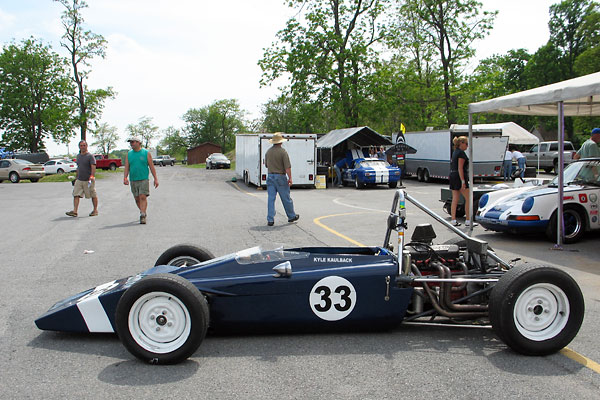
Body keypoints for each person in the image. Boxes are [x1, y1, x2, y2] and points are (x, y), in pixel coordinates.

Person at [265, 132, 299, 226]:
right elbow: (287, 167)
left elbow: (266, 165)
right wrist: (290, 178)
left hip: (270, 176)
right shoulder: (283, 152)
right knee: (286, 198)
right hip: (280, 176)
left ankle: (270, 219)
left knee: (271, 199)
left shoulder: (268, 152)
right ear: (281, 142)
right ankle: (291, 216)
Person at [123, 136, 159, 224]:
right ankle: (143, 211)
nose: (131, 144)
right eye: (130, 142)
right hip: (133, 179)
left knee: (142, 196)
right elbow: (127, 166)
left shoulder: (146, 153)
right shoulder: (129, 154)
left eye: (133, 142)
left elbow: (151, 166)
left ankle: (142, 215)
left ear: (139, 143)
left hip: (144, 179)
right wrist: (125, 177)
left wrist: (155, 179)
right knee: (137, 198)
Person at [449, 136, 477, 227]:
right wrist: (463, 181)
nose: (467, 146)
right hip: (459, 176)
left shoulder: (455, 152)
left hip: (453, 175)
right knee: (468, 198)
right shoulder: (461, 153)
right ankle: (468, 220)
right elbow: (460, 168)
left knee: (455, 198)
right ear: (461, 143)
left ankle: (453, 219)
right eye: (466, 144)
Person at [66, 140, 99, 217]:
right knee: (76, 194)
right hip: (80, 179)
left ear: (87, 146)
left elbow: (93, 166)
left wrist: (92, 176)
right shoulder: (78, 156)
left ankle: (95, 210)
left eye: (84, 145)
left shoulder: (90, 156)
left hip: (88, 179)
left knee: (93, 194)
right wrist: (76, 177)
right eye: (81, 145)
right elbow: (78, 167)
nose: (83, 147)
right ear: (79, 147)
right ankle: (75, 211)